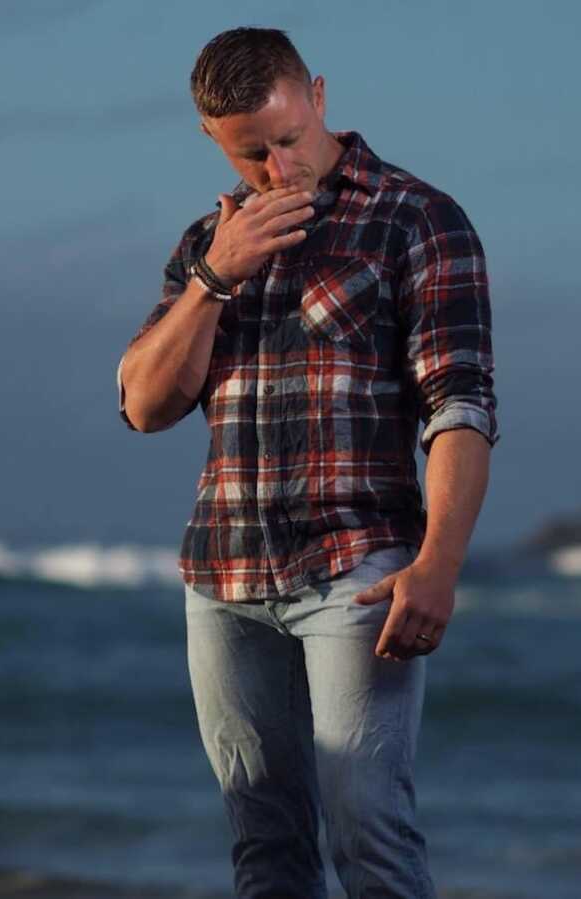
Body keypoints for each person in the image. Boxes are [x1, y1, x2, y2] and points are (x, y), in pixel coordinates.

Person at [117, 26, 499, 899]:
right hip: (225, 577)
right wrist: (218, 275)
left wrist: (439, 562)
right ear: (213, 140)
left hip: (358, 570)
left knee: (371, 832)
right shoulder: (204, 243)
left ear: (318, 96)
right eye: (253, 154)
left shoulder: (417, 219)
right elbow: (143, 403)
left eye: (289, 139)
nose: (279, 168)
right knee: (266, 844)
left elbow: (461, 405)